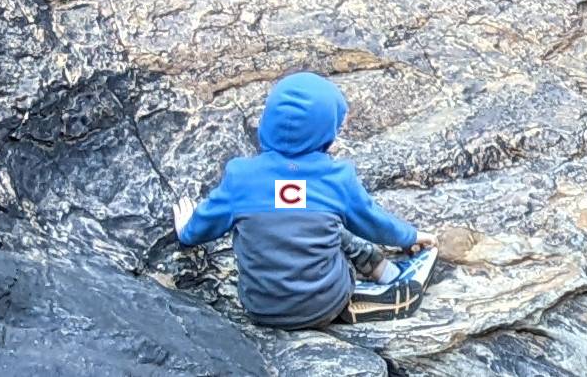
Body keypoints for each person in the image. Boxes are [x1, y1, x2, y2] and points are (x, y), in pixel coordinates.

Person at [172, 71, 435, 328]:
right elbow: (374, 222)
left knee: (290, 219)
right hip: (325, 303)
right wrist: (410, 236)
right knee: (330, 225)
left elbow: (204, 224)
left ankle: (377, 274)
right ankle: (380, 279)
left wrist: (186, 231)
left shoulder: (240, 176)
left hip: (261, 309)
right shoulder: (337, 178)